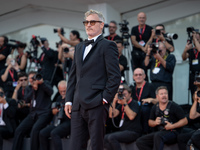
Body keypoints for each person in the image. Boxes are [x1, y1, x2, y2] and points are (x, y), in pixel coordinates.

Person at [64, 9, 121, 150]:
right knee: (75, 146)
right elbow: (72, 76)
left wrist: (105, 99)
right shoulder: (78, 47)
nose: (88, 25)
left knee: (96, 146)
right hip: (77, 105)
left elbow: (115, 76)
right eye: (86, 22)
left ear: (101, 25)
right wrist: (69, 100)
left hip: (97, 103)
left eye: (92, 22)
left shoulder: (108, 45)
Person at [12, 72, 53, 150]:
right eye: (31, 78)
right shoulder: (29, 88)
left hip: (44, 113)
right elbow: (26, 99)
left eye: (34, 77)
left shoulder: (45, 83)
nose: (32, 80)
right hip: (33, 114)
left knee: (34, 130)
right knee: (18, 130)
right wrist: (34, 89)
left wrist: (42, 83)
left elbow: (51, 92)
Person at [104, 84, 142, 150]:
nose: (123, 96)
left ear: (130, 94)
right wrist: (114, 101)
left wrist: (125, 104)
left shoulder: (134, 103)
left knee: (111, 137)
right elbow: (111, 115)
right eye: (121, 94)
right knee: (104, 138)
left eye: (125, 94)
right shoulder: (120, 105)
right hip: (124, 131)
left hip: (133, 132)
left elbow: (131, 116)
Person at [39, 80, 70, 150]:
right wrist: (54, 111)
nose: (63, 93)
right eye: (61, 91)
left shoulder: (71, 98)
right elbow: (52, 110)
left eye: (64, 91)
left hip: (68, 121)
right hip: (58, 122)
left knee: (54, 133)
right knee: (42, 133)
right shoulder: (58, 98)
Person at [131, 68, 157, 134]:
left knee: (144, 109)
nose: (138, 76)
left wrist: (151, 100)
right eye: (136, 75)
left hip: (147, 111)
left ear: (144, 76)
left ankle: (145, 133)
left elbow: (158, 101)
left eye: (140, 75)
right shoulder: (132, 88)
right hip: (136, 109)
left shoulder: (150, 86)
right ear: (133, 77)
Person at [182, 31, 200, 102]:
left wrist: (195, 39)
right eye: (194, 39)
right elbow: (184, 58)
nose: (195, 40)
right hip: (193, 74)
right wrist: (185, 49)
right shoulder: (192, 50)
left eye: (198, 39)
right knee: (193, 93)